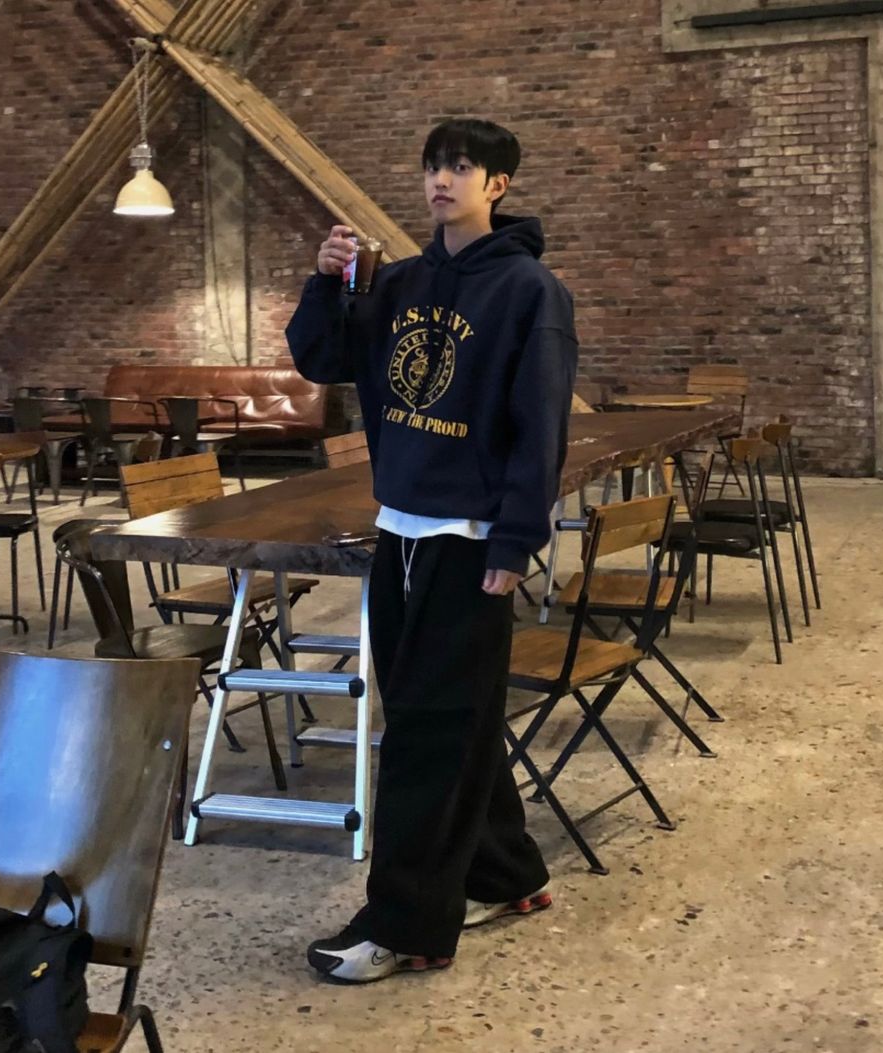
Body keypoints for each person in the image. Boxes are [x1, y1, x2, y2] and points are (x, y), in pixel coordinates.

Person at [285, 117, 578, 984]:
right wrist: (327, 281)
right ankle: (505, 873)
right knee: (451, 717)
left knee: (425, 734)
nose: (441, 180)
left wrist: (516, 539)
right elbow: (321, 358)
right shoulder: (402, 283)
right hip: (401, 529)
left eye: (460, 168)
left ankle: (406, 924)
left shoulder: (530, 291)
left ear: (498, 185)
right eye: (433, 167)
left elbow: (540, 425)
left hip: (471, 541)